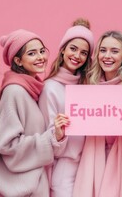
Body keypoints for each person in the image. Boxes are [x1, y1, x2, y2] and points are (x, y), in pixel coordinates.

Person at [0, 29, 67, 196]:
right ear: (18, 60)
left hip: (35, 186)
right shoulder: (14, 92)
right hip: (22, 190)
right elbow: (7, 146)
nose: (40, 57)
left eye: (41, 51)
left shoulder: (32, 88)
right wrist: (50, 138)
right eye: (32, 53)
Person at [73, 30, 122, 197]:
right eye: (103, 50)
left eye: (114, 51)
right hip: (93, 160)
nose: (107, 56)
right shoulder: (89, 85)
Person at [38, 18, 94, 197]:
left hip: (87, 165)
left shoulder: (88, 87)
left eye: (84, 52)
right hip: (63, 168)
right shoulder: (50, 88)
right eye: (73, 48)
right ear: (62, 50)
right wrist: (59, 134)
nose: (77, 56)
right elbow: (47, 137)